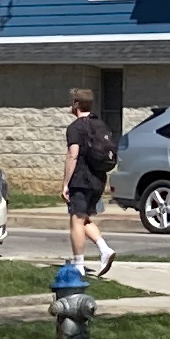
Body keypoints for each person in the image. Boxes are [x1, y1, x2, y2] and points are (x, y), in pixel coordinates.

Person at [60, 86, 117, 276]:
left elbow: (73, 155)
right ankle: (104, 250)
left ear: (76, 104)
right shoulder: (101, 125)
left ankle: (78, 266)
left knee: (76, 220)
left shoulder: (75, 127)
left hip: (81, 180)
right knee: (83, 218)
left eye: (71, 102)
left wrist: (66, 183)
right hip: (98, 179)